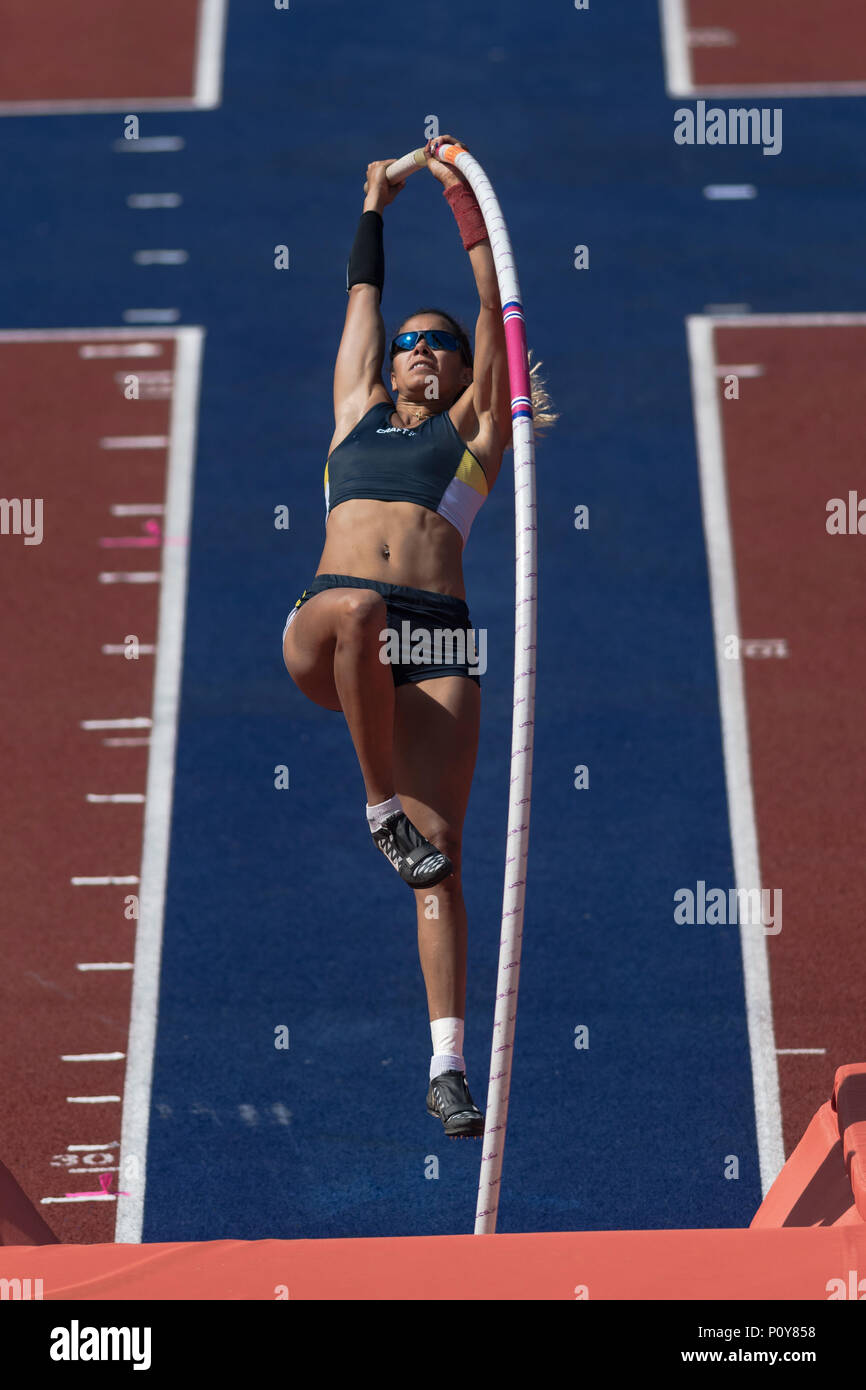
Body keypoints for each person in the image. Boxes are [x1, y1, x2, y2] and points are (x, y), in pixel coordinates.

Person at [282, 134, 557, 1137]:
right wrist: (372, 200)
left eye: (438, 344)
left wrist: (462, 205)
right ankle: (374, 804)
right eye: (411, 340)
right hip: (331, 621)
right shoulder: (353, 412)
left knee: (440, 858)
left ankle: (445, 1065)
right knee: (357, 614)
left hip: (438, 637)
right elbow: (361, 298)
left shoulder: (473, 435)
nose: (422, 350)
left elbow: (496, 312)